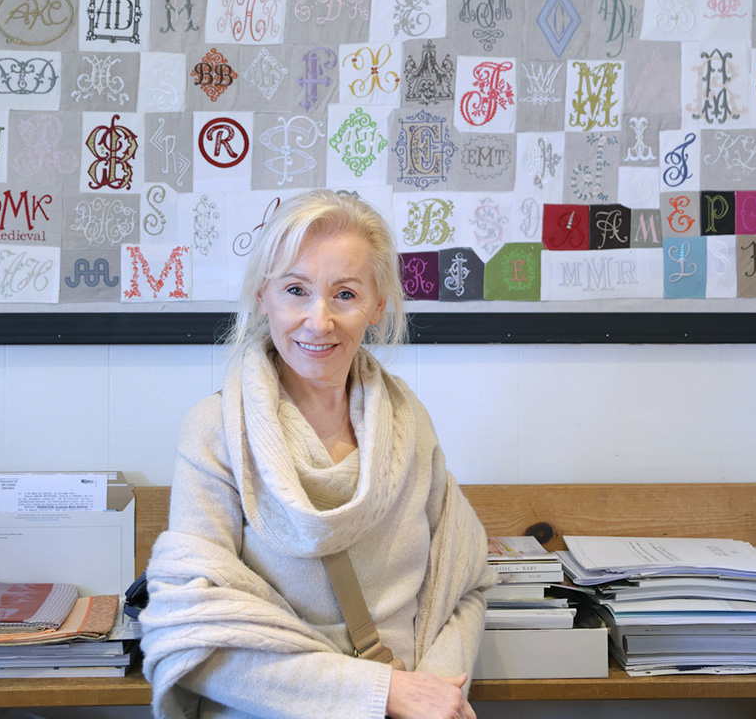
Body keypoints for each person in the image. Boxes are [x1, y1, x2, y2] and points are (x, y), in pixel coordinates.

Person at [140, 189, 496, 719]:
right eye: (296, 290)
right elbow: (191, 635)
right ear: (263, 296)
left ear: (377, 305)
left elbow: (464, 582)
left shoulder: (409, 423)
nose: (318, 321)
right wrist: (382, 693)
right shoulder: (216, 432)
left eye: (344, 294)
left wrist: (438, 693)